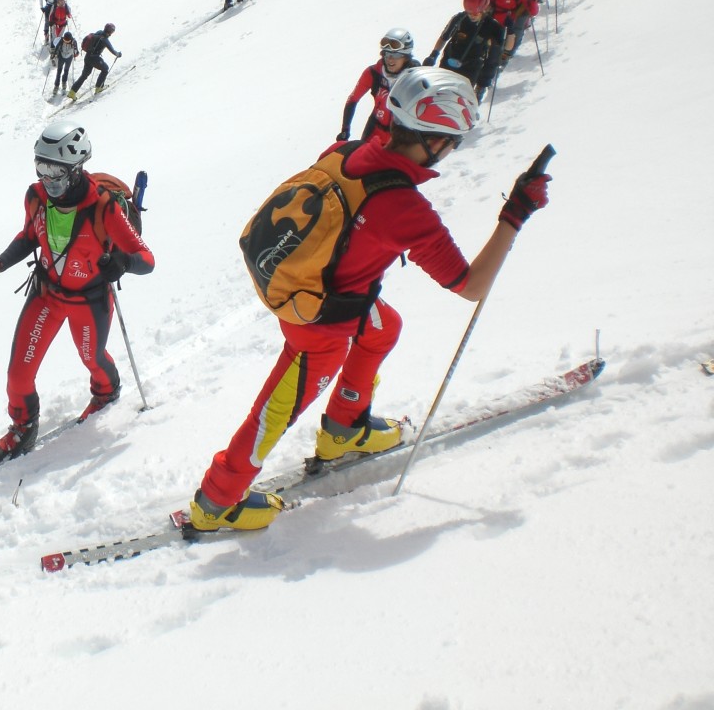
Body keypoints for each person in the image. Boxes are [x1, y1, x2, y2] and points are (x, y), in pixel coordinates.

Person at [188, 68, 552, 531]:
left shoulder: (348, 152)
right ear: (434, 140)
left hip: (318, 293)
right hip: (321, 324)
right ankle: (216, 503)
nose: (453, 149)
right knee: (275, 411)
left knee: (384, 326)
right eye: (453, 141)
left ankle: (344, 430)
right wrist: (516, 213)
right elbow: (471, 285)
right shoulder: (403, 208)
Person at [0, 122, 155, 468]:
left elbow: (147, 259)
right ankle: (24, 426)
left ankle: (106, 391)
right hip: (46, 294)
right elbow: (28, 237)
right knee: (18, 374)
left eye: (56, 170)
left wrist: (122, 263)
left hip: (90, 299)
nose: (48, 178)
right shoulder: (36, 197)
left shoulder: (104, 207)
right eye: (41, 167)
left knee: (91, 358)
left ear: (77, 167)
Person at [337, 28, 420, 146]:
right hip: (374, 133)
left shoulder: (416, 77)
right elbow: (353, 99)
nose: (390, 59)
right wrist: (345, 130)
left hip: (402, 138)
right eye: (386, 53)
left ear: (406, 57)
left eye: (396, 54)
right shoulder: (373, 73)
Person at [424, 0, 507, 102]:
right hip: (448, 63)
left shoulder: (494, 27)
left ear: (484, 9)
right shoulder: (459, 18)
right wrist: (433, 55)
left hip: (470, 70)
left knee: (459, 101)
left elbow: (495, 57)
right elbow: (444, 37)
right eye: (469, 13)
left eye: (475, 13)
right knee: (439, 97)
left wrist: (482, 84)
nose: (471, 16)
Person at [67, 23, 122, 99]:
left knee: (84, 75)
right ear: (110, 31)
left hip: (88, 57)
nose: (112, 33)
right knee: (105, 69)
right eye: (112, 31)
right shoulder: (105, 39)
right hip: (95, 58)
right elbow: (113, 51)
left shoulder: (99, 32)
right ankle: (99, 87)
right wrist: (118, 54)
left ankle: (72, 92)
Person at [53, 30, 79, 95]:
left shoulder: (74, 42)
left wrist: (76, 52)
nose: (66, 42)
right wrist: (54, 54)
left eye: (68, 41)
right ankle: (56, 85)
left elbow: (76, 51)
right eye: (65, 40)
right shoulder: (61, 40)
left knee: (66, 71)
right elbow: (57, 47)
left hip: (69, 57)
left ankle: (64, 82)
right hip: (61, 56)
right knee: (59, 71)